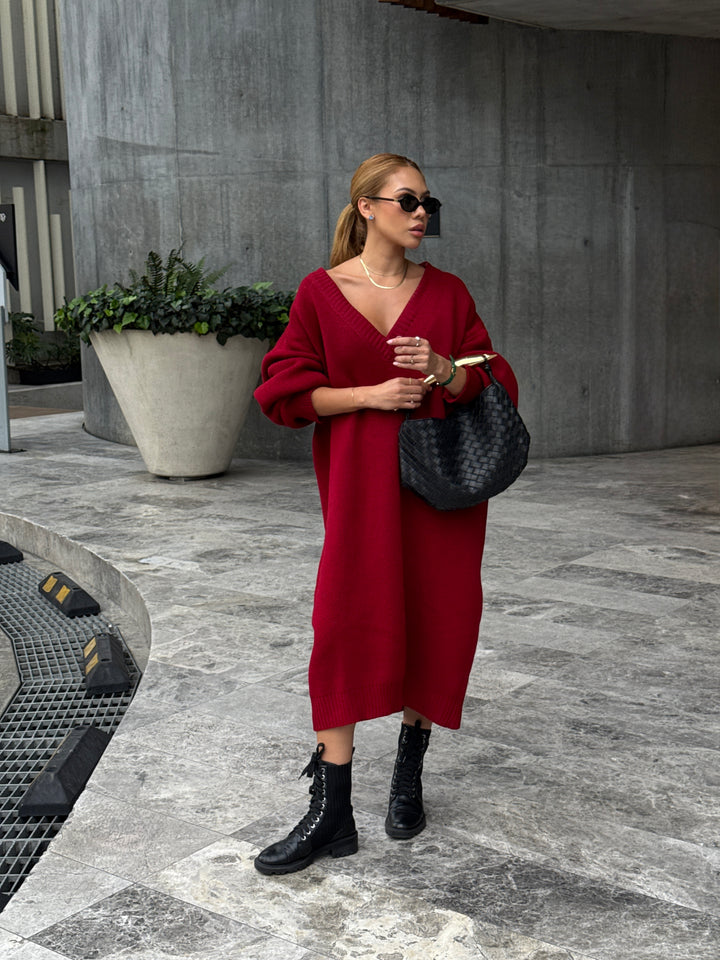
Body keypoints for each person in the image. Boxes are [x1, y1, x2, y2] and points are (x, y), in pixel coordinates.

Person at [253, 153, 518, 875]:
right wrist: (367, 396)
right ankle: (331, 807)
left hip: (438, 494)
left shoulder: (449, 293)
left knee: (435, 615)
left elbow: (494, 375)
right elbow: (283, 392)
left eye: (428, 201)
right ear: (366, 206)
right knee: (343, 622)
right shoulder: (320, 291)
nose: (422, 212)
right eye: (407, 200)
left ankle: (409, 769)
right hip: (360, 489)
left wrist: (443, 369)